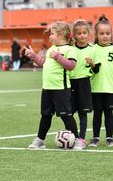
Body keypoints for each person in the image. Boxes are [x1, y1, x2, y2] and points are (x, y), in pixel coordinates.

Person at [25, 22, 84, 150]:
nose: (50, 37)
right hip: (47, 89)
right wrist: (34, 56)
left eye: (52, 34)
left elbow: (71, 66)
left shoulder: (70, 49)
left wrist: (58, 57)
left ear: (61, 35)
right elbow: (44, 64)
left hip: (61, 89)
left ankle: (78, 140)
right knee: (45, 115)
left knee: (66, 115)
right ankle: (40, 140)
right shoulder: (51, 49)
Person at [88, 15, 113, 147]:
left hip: (110, 88)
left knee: (109, 113)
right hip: (95, 88)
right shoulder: (92, 49)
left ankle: (109, 138)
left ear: (111, 34)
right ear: (96, 35)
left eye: (108, 33)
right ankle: (95, 137)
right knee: (97, 114)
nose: (105, 36)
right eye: (102, 33)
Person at [69, 20, 95, 148]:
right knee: (69, 112)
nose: (82, 35)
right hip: (70, 83)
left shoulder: (92, 49)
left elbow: (96, 70)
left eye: (85, 33)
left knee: (82, 113)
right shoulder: (71, 49)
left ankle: (82, 138)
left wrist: (92, 64)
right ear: (75, 35)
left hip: (84, 83)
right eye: (79, 33)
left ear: (89, 34)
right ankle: (71, 136)